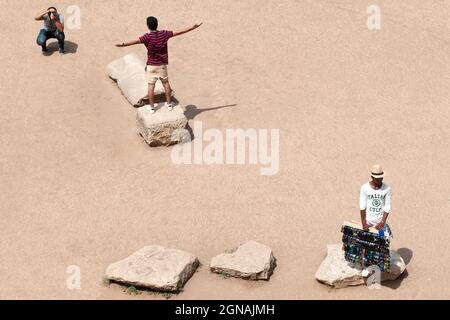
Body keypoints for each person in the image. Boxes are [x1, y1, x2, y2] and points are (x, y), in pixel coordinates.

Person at [116, 16, 202, 113]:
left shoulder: (146, 37)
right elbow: (179, 32)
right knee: (166, 84)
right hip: (162, 66)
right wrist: (193, 27)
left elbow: (134, 41)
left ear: (148, 26)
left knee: (151, 86)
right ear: (157, 24)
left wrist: (122, 44)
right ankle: (169, 104)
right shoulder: (164, 34)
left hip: (151, 66)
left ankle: (152, 108)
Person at [359, 164, 393, 237]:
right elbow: (362, 206)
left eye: (381, 178)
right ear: (372, 177)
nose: (379, 180)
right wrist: (364, 223)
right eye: (377, 178)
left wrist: (382, 222)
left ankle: (382, 236)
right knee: (367, 243)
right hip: (368, 222)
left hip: (380, 224)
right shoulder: (364, 188)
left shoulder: (387, 188)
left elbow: (387, 206)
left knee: (381, 242)